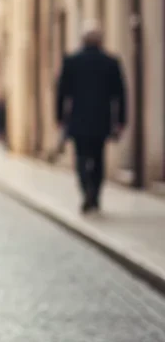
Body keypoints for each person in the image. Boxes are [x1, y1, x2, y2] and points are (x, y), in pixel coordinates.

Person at [55, 20, 126, 213]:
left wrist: (60, 118)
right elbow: (120, 94)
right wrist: (120, 121)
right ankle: (94, 194)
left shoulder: (71, 61)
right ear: (101, 41)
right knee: (98, 157)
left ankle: (86, 189)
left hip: (78, 119)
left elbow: (62, 93)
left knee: (80, 157)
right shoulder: (111, 62)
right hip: (102, 120)